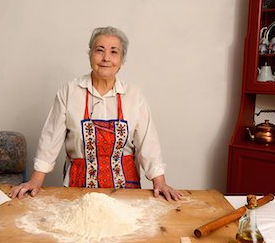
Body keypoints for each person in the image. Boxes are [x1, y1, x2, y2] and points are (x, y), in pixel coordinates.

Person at [10, 26, 181, 201]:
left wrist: (159, 182)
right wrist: (36, 180)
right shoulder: (70, 91)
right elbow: (50, 138)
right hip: (78, 188)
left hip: (126, 191)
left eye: (114, 52)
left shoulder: (134, 95)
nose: (106, 58)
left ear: (121, 60)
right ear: (90, 55)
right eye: (100, 50)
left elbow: (148, 142)